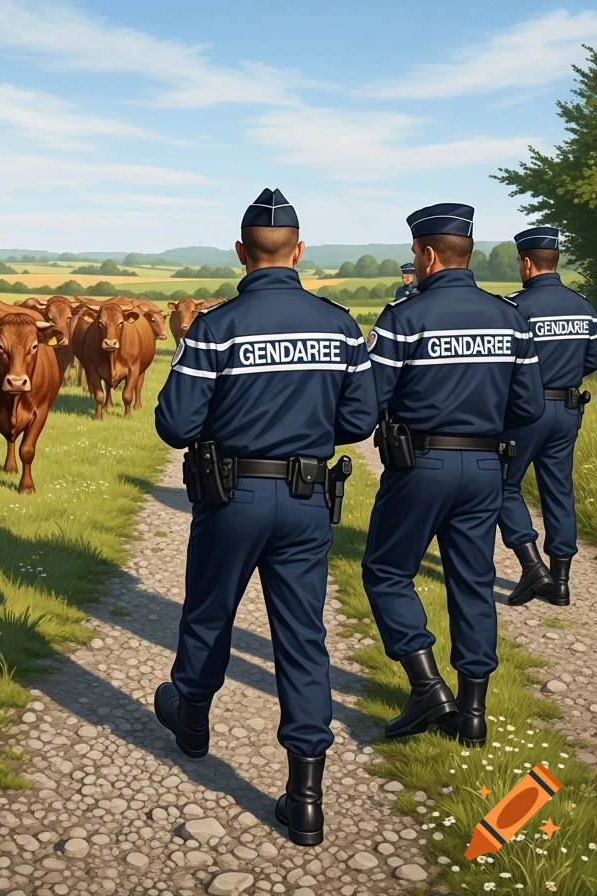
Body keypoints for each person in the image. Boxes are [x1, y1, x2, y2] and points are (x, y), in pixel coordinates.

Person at [152, 188, 378, 847]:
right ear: (298, 251)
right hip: (307, 500)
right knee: (302, 637)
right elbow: (358, 421)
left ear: (240, 252)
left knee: (209, 612)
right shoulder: (338, 324)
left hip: (231, 498)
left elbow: (174, 424)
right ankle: (306, 799)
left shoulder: (215, 328)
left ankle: (192, 721)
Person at [362, 204, 544, 749]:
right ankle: (472, 714)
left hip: (420, 465)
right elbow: (530, 406)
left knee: (387, 570)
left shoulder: (403, 318)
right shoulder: (511, 319)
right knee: (472, 581)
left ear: (429, 253)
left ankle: (425, 686)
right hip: (485, 466)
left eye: (416, 255)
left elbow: (370, 399)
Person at [498, 226, 597, 608]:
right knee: (559, 491)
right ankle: (560, 582)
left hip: (525, 411)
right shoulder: (583, 307)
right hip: (568, 409)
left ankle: (530, 564)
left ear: (525, 262)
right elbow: (591, 358)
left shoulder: (515, 308)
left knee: (502, 484)